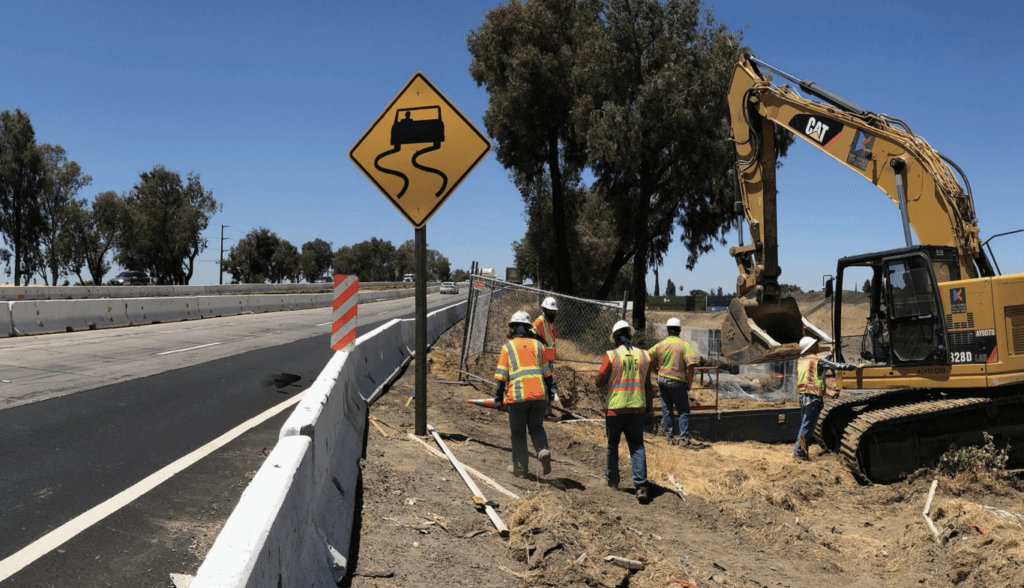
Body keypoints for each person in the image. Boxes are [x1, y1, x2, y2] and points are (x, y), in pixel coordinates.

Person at [596, 320, 655, 503]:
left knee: (613, 444)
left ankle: (613, 481)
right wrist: (650, 409)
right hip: (637, 408)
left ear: (615, 339)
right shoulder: (645, 356)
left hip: (615, 409)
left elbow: (599, 381)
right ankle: (641, 486)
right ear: (630, 336)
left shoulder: (611, 355)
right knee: (637, 446)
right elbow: (648, 386)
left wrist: (604, 381)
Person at [494, 311, 558, 477]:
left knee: (518, 433)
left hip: (517, 397)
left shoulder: (508, 347)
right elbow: (547, 374)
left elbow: (501, 377)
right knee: (536, 428)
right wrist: (553, 391)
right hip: (539, 395)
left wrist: (498, 398)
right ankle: (543, 451)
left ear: (513, 328)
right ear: (529, 328)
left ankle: (521, 468)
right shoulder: (538, 346)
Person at [793, 336, 857, 460]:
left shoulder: (802, 359)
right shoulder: (818, 360)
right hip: (813, 398)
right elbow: (836, 366)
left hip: (803, 396)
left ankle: (801, 451)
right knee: (807, 427)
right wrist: (853, 366)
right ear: (810, 347)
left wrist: (830, 353)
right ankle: (798, 453)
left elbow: (822, 361)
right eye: (815, 344)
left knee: (804, 425)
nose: (818, 345)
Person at [648, 317, 698, 445]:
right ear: (679, 330)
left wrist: (655, 370)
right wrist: (689, 384)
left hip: (662, 381)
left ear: (667, 330)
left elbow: (647, 357)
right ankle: (684, 438)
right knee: (683, 411)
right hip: (677, 383)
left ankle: (669, 438)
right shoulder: (684, 345)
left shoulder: (660, 345)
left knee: (667, 410)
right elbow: (691, 365)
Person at [532, 296, 560, 417]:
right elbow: (531, 333)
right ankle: (543, 411)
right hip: (542, 359)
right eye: (549, 310)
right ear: (544, 309)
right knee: (544, 385)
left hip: (549, 360)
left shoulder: (551, 323)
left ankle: (547, 411)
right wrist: (540, 341)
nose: (552, 312)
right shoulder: (540, 321)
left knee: (547, 385)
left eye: (553, 310)